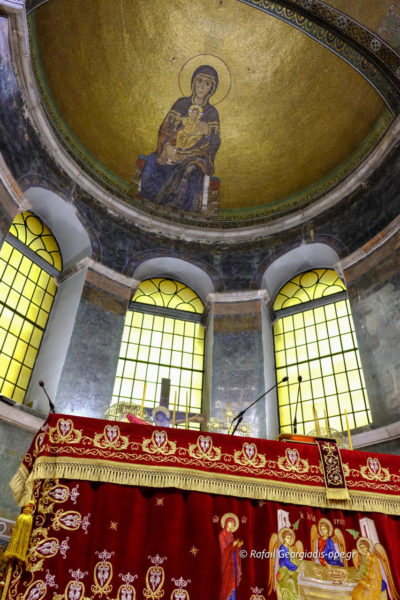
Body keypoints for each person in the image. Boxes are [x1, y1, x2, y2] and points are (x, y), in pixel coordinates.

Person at [140, 65, 221, 212]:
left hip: (196, 155)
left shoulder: (212, 113)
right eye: (199, 81)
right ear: (193, 82)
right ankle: (149, 198)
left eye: (207, 83)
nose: (201, 87)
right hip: (174, 149)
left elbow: (214, 142)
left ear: (212, 89)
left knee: (191, 170)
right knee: (153, 160)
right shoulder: (181, 104)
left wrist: (207, 133)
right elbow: (165, 129)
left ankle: (179, 206)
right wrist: (167, 147)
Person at [219, 514, 243, 600]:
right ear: (226, 523)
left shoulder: (231, 535)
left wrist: (238, 546)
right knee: (228, 584)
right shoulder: (222, 535)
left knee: (234, 582)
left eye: (233, 523)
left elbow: (233, 548)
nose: (232, 525)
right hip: (227, 563)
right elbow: (224, 549)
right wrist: (233, 545)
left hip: (234, 562)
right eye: (231, 523)